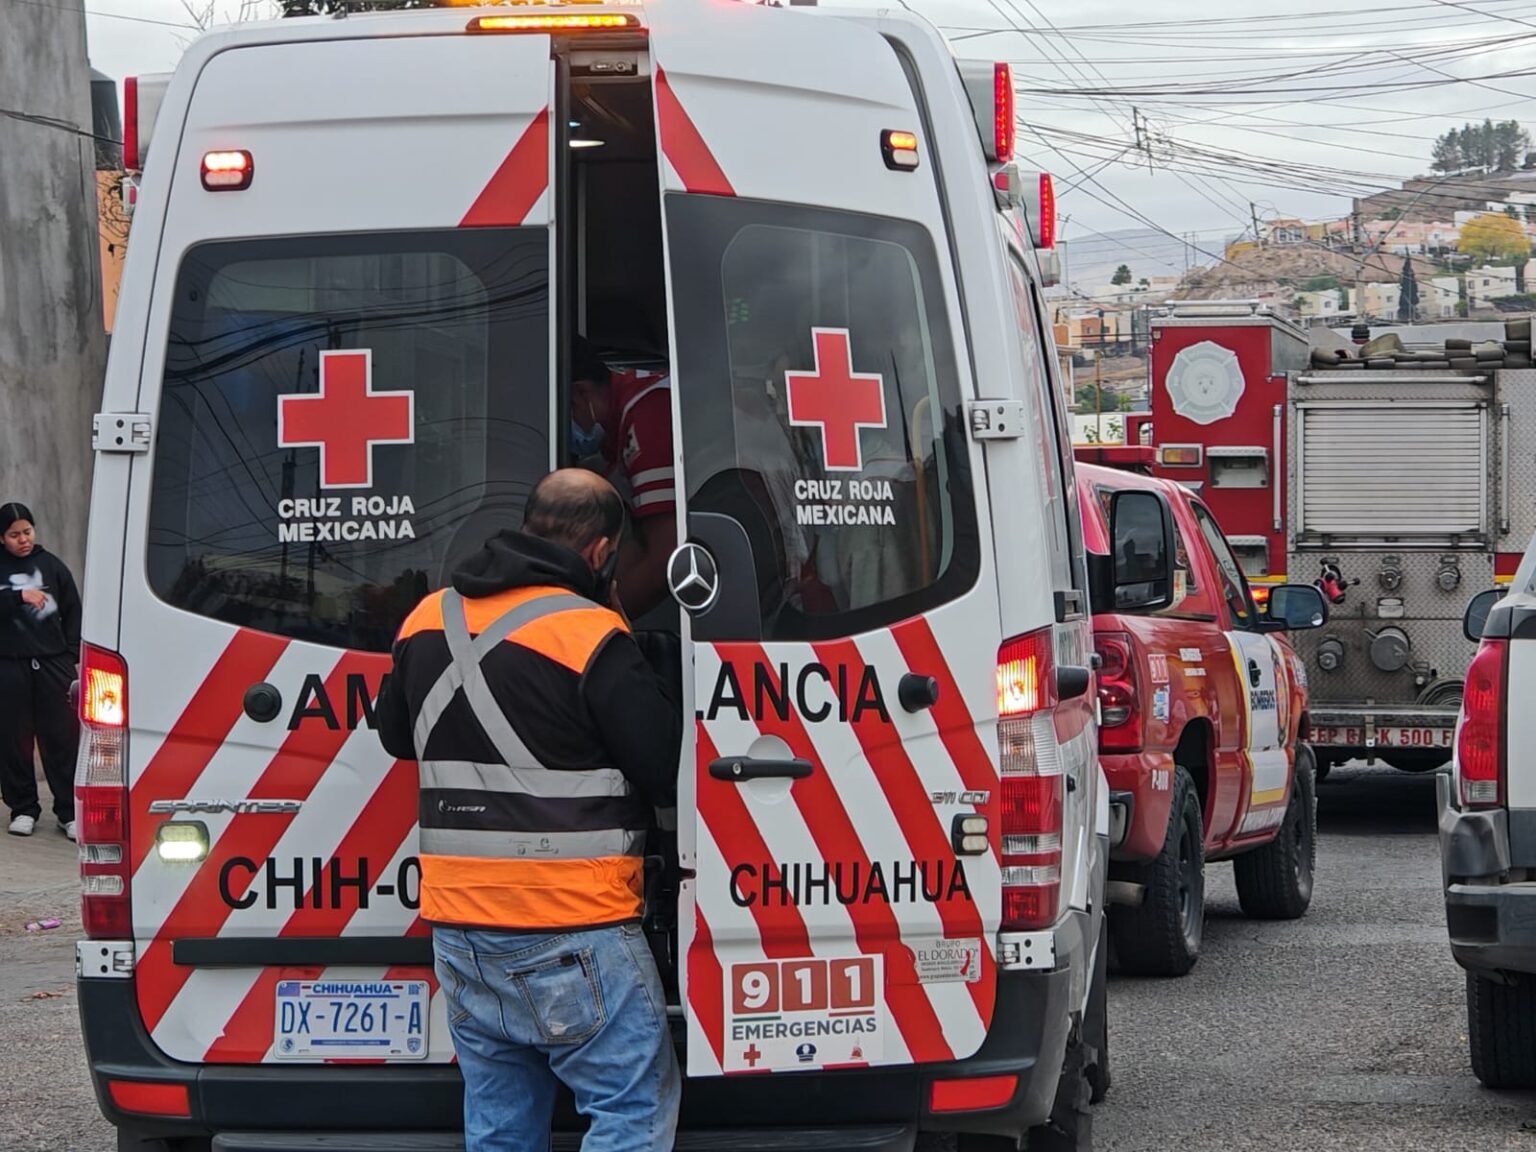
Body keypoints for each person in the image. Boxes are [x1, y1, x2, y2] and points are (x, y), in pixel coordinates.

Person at [375, 469, 681, 1152]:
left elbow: (396, 735)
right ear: (601, 552)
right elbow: (662, 766)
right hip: (571, 921)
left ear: (526, 524)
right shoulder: (591, 633)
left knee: (500, 1124)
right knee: (631, 1110)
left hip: (460, 929)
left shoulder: (428, 617)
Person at [568, 339, 677, 618]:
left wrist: (592, 624)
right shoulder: (625, 415)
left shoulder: (648, 414)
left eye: (569, 412)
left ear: (581, 393)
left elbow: (665, 557)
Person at [0, 503, 81, 839]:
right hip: (9, 665)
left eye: (27, 531)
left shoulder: (52, 565)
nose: (23, 540)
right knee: (13, 739)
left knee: (62, 738)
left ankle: (69, 812)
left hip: (53, 665)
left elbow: (73, 610)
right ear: (1, 537)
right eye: (14, 535)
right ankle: (23, 809)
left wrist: (70, 654)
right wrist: (18, 597)